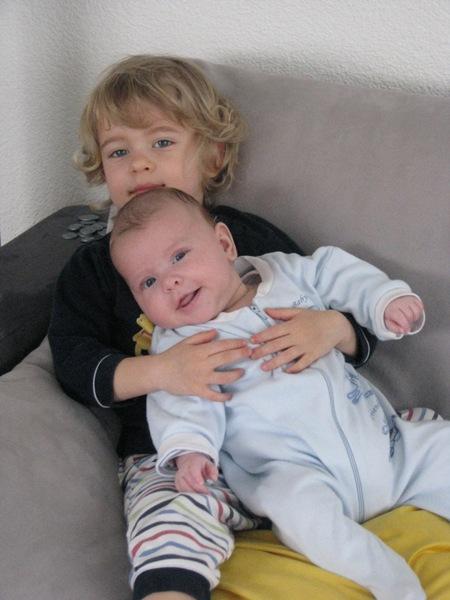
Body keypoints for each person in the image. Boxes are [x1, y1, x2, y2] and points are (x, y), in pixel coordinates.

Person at [49, 55, 378, 600]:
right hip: (176, 456)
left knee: (405, 445)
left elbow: (343, 306)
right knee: (169, 517)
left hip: (291, 443)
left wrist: (333, 330)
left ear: (212, 155)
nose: (139, 165)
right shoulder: (94, 268)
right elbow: (73, 363)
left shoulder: (252, 238)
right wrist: (162, 372)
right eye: (118, 151)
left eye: (161, 142)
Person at [110, 188, 450, 600]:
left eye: (179, 256)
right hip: (294, 472)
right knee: (299, 513)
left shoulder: (287, 273)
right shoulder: (183, 345)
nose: (170, 282)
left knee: (440, 447)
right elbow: (183, 401)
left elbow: (339, 273)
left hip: (387, 447)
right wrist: (191, 452)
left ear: (223, 244)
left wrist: (384, 300)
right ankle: (396, 585)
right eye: (148, 281)